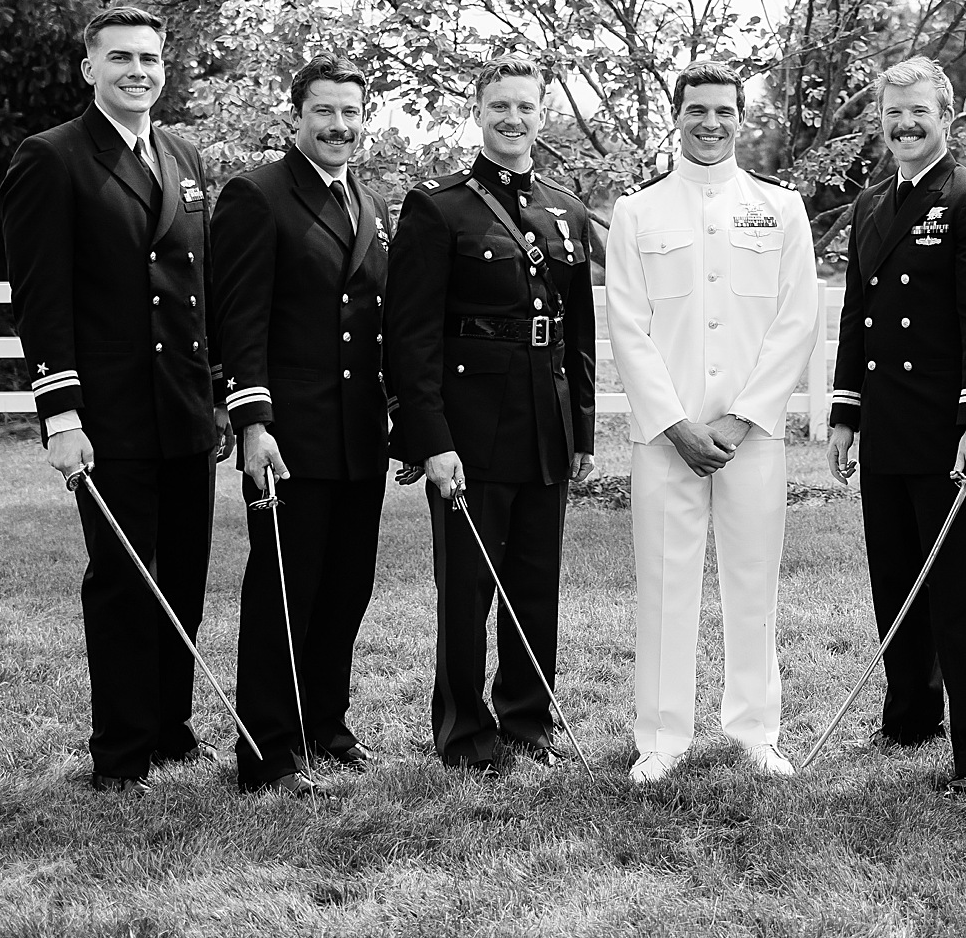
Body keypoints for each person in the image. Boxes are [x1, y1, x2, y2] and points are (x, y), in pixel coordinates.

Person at [0, 5, 227, 794]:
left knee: (183, 577)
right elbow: (40, 297)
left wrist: (218, 394)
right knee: (126, 580)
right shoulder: (52, 157)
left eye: (150, 58)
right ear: (89, 68)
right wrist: (60, 416)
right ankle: (122, 751)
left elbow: (201, 287)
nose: (138, 70)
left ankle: (170, 728)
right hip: (110, 412)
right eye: (122, 57)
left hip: (185, 407)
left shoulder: (183, 154)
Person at [604, 64, 821, 785]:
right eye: (697, 109)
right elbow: (628, 327)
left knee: (754, 581)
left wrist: (743, 415)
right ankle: (662, 736)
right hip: (666, 439)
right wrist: (675, 424)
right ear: (677, 115)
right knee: (665, 583)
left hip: (750, 437)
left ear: (740, 118)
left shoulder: (780, 207)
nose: (710, 123)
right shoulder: (638, 211)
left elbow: (797, 320)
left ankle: (756, 729)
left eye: (724, 110)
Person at [386, 57, 597, 772]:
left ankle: (528, 721)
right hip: (470, 429)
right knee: (468, 587)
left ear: (542, 115)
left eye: (525, 106)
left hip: (545, 423)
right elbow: (410, 336)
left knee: (535, 583)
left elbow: (577, 331)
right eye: (499, 106)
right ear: (478, 112)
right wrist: (430, 438)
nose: (513, 118)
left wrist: (581, 429)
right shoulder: (437, 206)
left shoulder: (566, 210)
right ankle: (464, 733)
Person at [827, 56, 966, 793]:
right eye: (893, 114)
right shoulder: (872, 203)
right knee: (896, 580)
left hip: (948, 430)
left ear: (946, 117)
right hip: (886, 426)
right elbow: (858, 316)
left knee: (963, 591)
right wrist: (845, 413)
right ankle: (909, 716)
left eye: (919, 113)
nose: (905, 125)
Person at [212, 56, 393, 797]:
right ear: (296, 117)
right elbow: (239, 320)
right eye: (324, 110)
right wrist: (253, 423)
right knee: (283, 594)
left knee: (346, 589)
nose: (339, 125)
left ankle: (325, 725)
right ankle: (269, 750)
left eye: (351, 112)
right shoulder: (257, 195)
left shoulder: (370, 202)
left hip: (358, 436)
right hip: (288, 436)